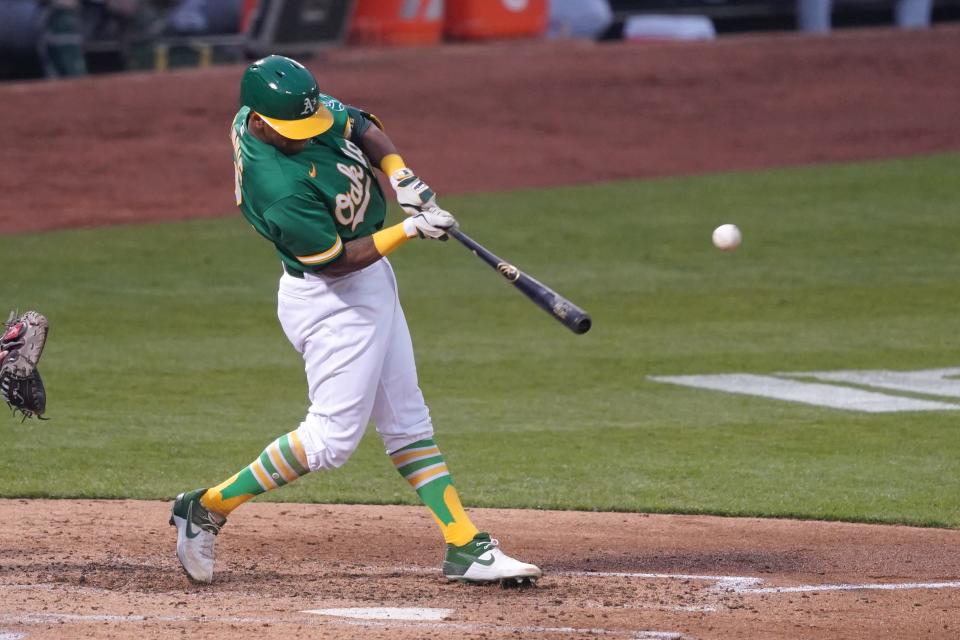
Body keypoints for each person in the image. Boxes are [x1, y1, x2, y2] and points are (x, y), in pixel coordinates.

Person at [169, 54, 542, 586]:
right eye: (293, 132)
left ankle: (464, 545)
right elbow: (336, 260)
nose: (305, 136)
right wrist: (409, 231)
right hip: (331, 299)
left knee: (408, 421)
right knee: (329, 441)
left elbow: (360, 124)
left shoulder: (280, 110)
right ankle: (205, 507)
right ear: (257, 124)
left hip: (370, 281)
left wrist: (401, 175)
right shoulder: (275, 186)